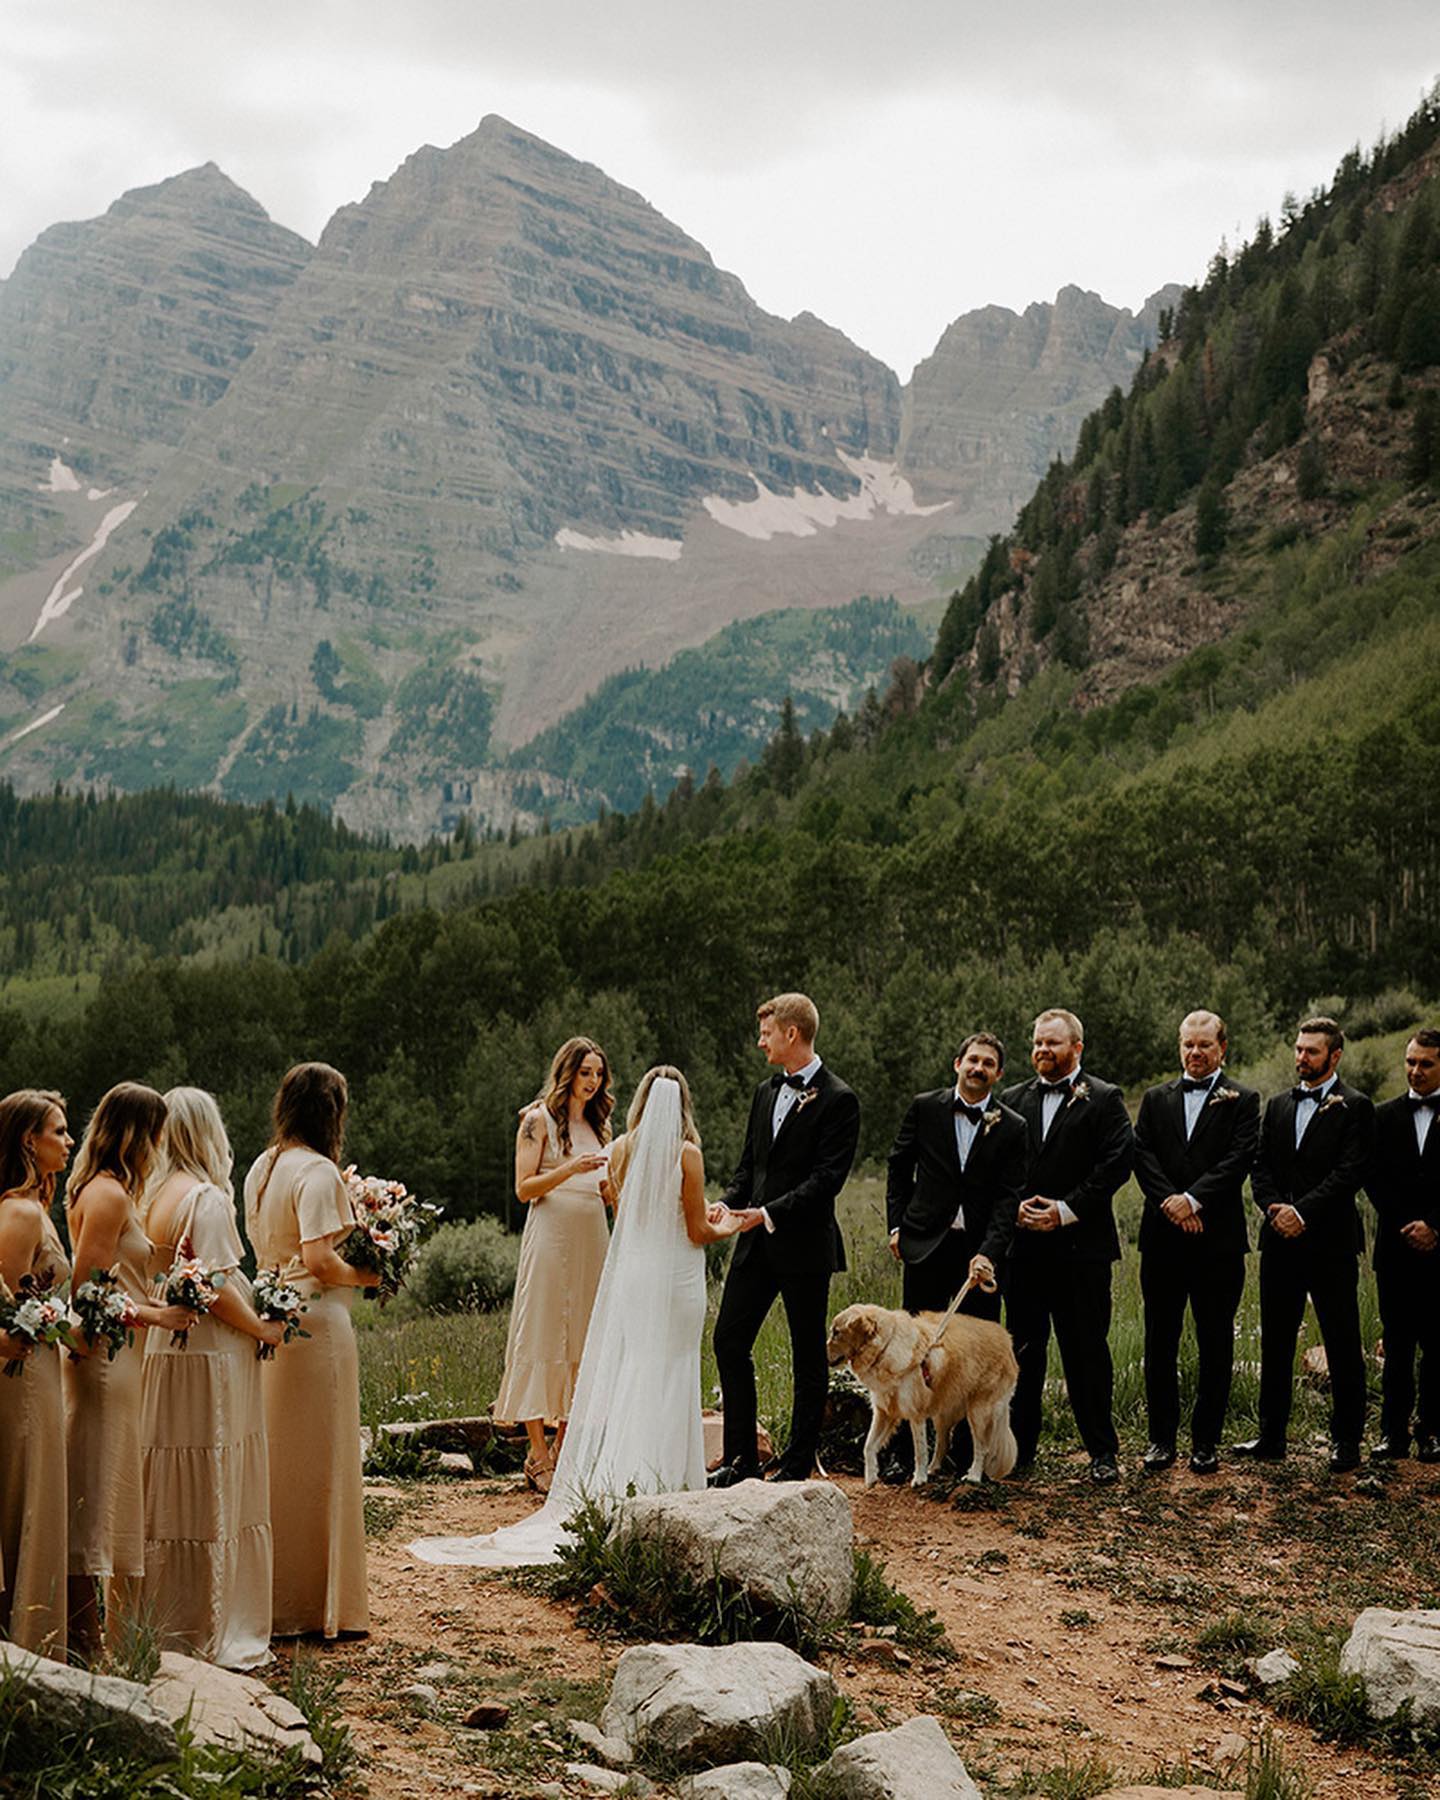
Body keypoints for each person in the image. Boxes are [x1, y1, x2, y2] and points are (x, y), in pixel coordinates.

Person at [409, 1066, 741, 1567]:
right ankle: (671, 1480)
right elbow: (695, 1230)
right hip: (674, 1280)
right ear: (684, 1106)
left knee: (635, 1370)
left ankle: (623, 1475)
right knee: (673, 1370)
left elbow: (623, 1211)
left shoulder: (623, 1148)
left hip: (635, 1276)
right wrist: (728, 1225)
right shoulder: (686, 1154)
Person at [141, 1088, 285, 1669]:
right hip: (208, 1358)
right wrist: (263, 1329)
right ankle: (213, 1621)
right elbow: (221, 1287)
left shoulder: (154, 1195)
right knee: (214, 1477)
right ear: (209, 1133)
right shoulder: (205, 1199)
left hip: (165, 1351)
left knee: (172, 1482)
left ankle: (163, 1619)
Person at [244, 1063, 378, 1637]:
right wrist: (369, 1278)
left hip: (270, 1313)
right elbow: (321, 1260)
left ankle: (270, 1600)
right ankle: (321, 1607)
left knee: (277, 1464)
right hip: (318, 1324)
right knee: (325, 1463)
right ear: (331, 1113)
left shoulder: (262, 1166)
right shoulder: (319, 1172)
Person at [710, 993, 861, 1487]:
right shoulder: (764, 1092)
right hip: (754, 1244)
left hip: (803, 1246)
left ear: (791, 1033)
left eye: (767, 1033)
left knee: (806, 1356)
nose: (761, 1041)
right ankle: (741, 1462)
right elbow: (750, 1166)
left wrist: (767, 1214)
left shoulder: (840, 1099)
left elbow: (826, 1181)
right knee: (729, 1341)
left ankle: (797, 1464)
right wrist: (728, 1206)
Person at [64, 1082, 191, 1660]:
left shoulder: (103, 1189)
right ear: (141, 1134)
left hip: (122, 1360)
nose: (160, 1145)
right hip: (106, 1365)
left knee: (106, 1493)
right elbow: (85, 1292)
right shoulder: (109, 1195)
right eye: (157, 1133)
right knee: (97, 1495)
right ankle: (87, 1644)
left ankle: (93, 1638)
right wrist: (160, 1313)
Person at [1237, 1016, 1375, 1472]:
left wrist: (1303, 1213)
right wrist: (1275, 1208)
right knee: (1276, 1342)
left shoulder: (1356, 1106)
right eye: (1298, 1049)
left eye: (1311, 1051)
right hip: (1279, 1242)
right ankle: (1271, 1436)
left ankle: (1347, 1440)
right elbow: (1259, 1166)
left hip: (1330, 1242)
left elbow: (1350, 1171)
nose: (1301, 1057)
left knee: (1341, 1338)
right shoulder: (1277, 1105)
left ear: (1334, 1056)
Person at [1002, 1008, 1133, 1484]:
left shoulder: (1104, 1098)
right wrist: (1015, 1208)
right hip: (1025, 1254)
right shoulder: (1012, 1098)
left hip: (1083, 1251)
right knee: (1022, 1355)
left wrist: (1064, 1209)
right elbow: (999, 1168)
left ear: (1077, 1048)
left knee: (1086, 1354)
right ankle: (1020, 1451)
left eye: (1053, 1043)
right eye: (1038, 1042)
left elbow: (1117, 1163)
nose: (1042, 1051)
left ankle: (1101, 1452)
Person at [1133, 1011, 1260, 1475]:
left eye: (1205, 1045)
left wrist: (1193, 1200)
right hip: (1162, 1240)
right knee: (1160, 1342)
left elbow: (1239, 1158)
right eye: (1188, 1044)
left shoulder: (1244, 1099)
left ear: (1223, 1048)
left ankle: (1205, 1443)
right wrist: (1170, 1201)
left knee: (1215, 1344)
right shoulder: (1154, 1098)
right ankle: (1160, 1441)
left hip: (1217, 1243)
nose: (1195, 1053)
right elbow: (1140, 1152)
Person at [492, 1037, 615, 1493]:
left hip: (592, 1237)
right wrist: (571, 1169)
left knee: (585, 1334)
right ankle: (536, 1452)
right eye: (585, 1072)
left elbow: (604, 1186)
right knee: (542, 1331)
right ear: (567, 1072)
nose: (592, 1082)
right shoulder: (536, 1120)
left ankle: (564, 1447)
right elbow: (525, 1188)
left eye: (598, 1074)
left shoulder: (600, 1127)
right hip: (551, 1235)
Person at [0, 1089, 75, 1656]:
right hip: (21, 1377)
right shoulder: (19, 1212)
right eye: (59, 1131)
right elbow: (5, 1305)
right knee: (26, 1496)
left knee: (40, 1494)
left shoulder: (34, 1206)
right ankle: (25, 1639)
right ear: (29, 1140)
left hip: (45, 1368)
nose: (69, 1141)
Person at [886, 1032, 1025, 1320]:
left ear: (998, 1074)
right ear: (958, 1064)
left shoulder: (1013, 1126)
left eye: (988, 1064)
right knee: (918, 1344)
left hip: (979, 1252)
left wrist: (990, 1252)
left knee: (974, 1350)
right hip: (925, 1246)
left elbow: (1008, 1196)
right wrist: (896, 1227)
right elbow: (899, 1168)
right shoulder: (924, 1107)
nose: (978, 1068)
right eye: (973, 1060)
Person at [1364, 1029, 1440, 1463]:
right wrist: (1406, 1224)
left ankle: (1431, 1431)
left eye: (1425, 1063)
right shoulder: (1383, 1115)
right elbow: (1372, 1178)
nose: (1415, 1070)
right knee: (1397, 1345)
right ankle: (1392, 1432)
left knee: (1438, 1346)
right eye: (1410, 1062)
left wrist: (1435, 1227)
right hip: (1395, 1248)